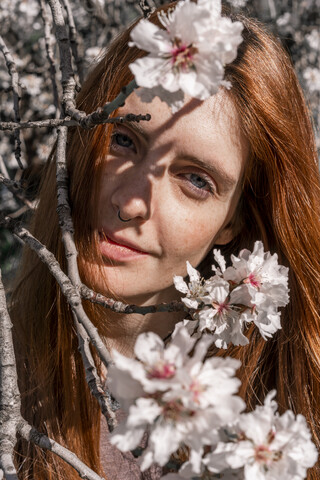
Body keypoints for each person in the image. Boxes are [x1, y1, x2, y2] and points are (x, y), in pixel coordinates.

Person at [10, 2, 320, 479]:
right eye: (124, 141)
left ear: (234, 224)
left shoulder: (268, 431)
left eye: (196, 180)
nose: (133, 202)